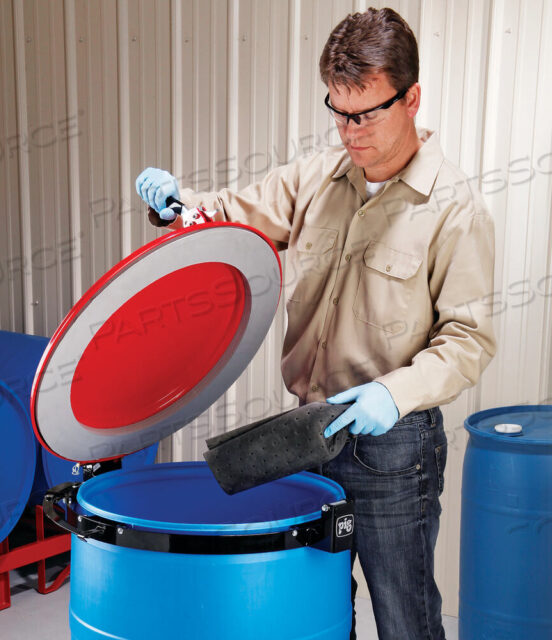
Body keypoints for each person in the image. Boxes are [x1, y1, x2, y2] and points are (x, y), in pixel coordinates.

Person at [135, 7, 496, 639]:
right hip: (309, 433)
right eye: (338, 111)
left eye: (366, 114)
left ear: (411, 99)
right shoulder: (315, 177)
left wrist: (393, 394)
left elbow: (469, 339)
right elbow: (233, 217)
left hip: (394, 446)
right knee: (317, 611)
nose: (350, 132)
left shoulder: (454, 209)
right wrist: (178, 206)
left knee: (405, 617)